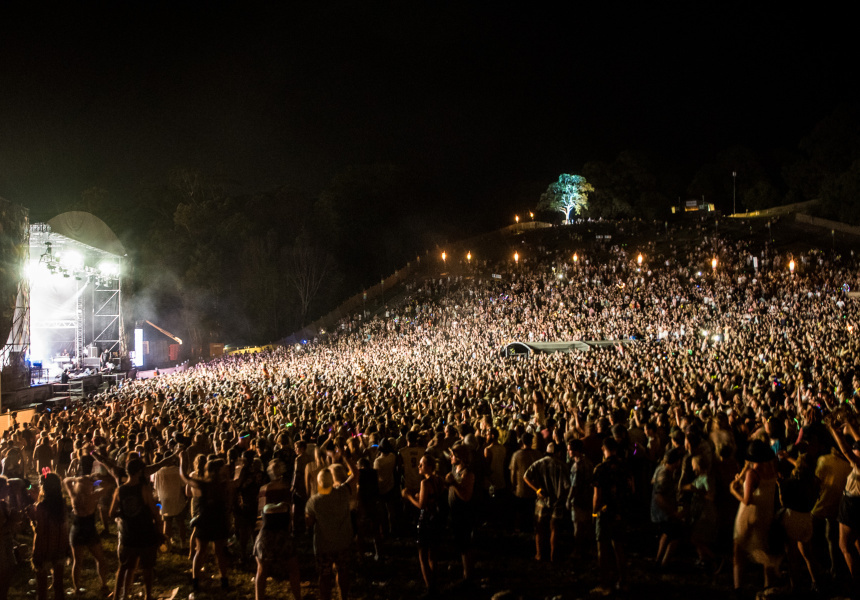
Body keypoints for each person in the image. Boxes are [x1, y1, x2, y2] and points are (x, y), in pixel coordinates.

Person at [731, 439, 781, 595]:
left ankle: (738, 587)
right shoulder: (773, 468)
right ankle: (768, 587)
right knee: (765, 551)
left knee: (738, 551)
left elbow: (747, 500)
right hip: (766, 512)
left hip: (749, 513)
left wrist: (733, 490)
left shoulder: (752, 473)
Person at [179, 452, 232, 592]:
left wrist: (181, 461)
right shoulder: (223, 485)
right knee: (220, 552)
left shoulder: (203, 484)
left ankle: (195, 580)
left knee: (200, 551)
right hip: (219, 521)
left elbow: (184, 477)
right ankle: (224, 579)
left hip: (205, 521)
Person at [111, 457, 162, 600]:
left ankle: (117, 596)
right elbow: (154, 511)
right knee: (147, 568)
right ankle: (148, 595)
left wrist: (124, 513)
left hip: (128, 533)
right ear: (139, 471)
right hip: (145, 533)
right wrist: (160, 529)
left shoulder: (120, 490)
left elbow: (111, 513)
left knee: (124, 567)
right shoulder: (144, 489)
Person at [253, 459, 301, 600]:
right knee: (293, 569)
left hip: (267, 533)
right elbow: (290, 512)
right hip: (282, 533)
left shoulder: (264, 489)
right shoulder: (286, 488)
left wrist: (257, 534)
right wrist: (290, 530)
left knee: (262, 570)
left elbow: (260, 513)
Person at [592, 437, 633, 595]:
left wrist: (595, 511)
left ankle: (605, 584)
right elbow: (632, 488)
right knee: (619, 548)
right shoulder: (625, 466)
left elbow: (597, 494)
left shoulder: (600, 469)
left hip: (605, 512)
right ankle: (623, 581)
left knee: (602, 548)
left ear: (603, 449)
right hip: (621, 511)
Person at [63, 455, 109, 594]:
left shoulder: (73, 495)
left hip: (76, 528)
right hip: (89, 529)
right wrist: (95, 477)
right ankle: (104, 585)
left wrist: (76, 479)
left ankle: (76, 588)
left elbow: (65, 480)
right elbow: (108, 485)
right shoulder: (93, 496)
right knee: (100, 558)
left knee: (77, 561)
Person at [306, 467, 354, 600]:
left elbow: (309, 523)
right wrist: (345, 456)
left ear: (319, 483)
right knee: (343, 571)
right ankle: (343, 597)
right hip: (343, 542)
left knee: (324, 575)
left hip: (324, 546)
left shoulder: (314, 501)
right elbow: (355, 474)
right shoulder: (343, 492)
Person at [403, 454, 444, 595]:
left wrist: (408, 496)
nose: (419, 466)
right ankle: (434, 583)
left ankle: (429, 588)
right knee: (433, 555)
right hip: (436, 520)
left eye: (422, 464)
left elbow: (421, 505)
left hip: (426, 521)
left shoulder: (424, 483)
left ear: (429, 466)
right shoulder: (438, 480)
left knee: (423, 556)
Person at [523, 442, 570, 563]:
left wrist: (537, 489)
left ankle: (539, 554)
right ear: (558, 453)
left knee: (539, 528)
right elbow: (567, 486)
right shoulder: (562, 465)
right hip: (558, 501)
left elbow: (526, 476)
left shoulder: (539, 463)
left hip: (542, 501)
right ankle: (553, 556)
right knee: (554, 529)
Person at [29, 472, 69, 600]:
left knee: (42, 587)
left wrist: (32, 519)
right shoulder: (62, 504)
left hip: (44, 549)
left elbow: (40, 531)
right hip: (59, 547)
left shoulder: (41, 507)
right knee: (58, 584)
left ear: (44, 487)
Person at [446, 443, 476, 584]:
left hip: (464, 513)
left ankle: (468, 575)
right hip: (454, 512)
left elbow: (466, 496)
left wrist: (453, 484)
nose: (451, 457)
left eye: (453, 455)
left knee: (465, 545)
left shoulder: (467, 473)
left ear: (460, 457)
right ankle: (462, 568)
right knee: (459, 542)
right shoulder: (454, 469)